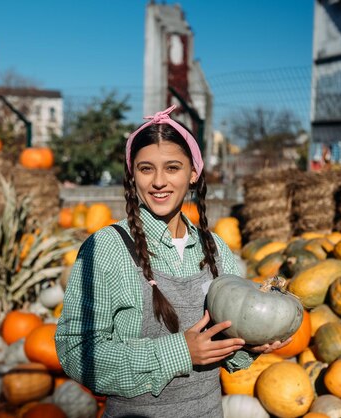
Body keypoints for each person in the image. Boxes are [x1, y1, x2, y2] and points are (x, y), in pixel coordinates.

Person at [55, 105, 289, 417]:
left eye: (173, 168)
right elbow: (76, 352)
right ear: (132, 175)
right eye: (146, 169)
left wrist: (248, 346)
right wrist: (180, 352)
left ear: (193, 173)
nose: (159, 182)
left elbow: (221, 346)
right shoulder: (106, 248)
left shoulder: (216, 250)